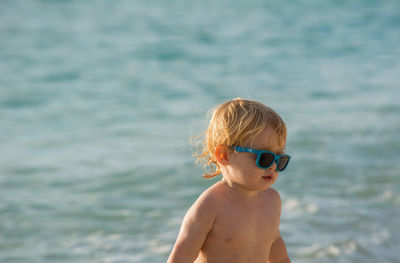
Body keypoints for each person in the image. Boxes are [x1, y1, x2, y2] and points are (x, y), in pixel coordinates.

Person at [167, 98, 291, 263]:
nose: (273, 166)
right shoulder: (210, 205)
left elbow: (275, 247)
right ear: (224, 155)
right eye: (265, 158)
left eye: (280, 159)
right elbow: (182, 255)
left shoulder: (272, 200)